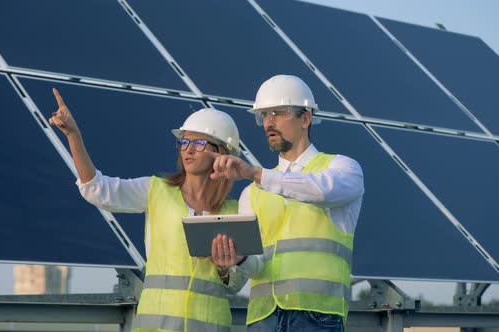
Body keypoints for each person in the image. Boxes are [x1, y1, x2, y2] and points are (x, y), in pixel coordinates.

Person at [48, 88, 247, 332]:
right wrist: (73, 136)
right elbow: (97, 189)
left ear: (221, 152)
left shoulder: (236, 211)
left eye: (198, 142)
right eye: (184, 141)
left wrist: (224, 266)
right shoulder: (155, 190)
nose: (188, 149)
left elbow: (236, 284)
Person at [204, 75, 364, 331]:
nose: (269, 122)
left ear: (305, 118)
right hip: (262, 318)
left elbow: (320, 191)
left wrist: (256, 174)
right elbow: (255, 266)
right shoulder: (252, 193)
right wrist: (237, 260)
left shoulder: (342, 168)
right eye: (264, 115)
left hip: (317, 316)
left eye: (277, 113)